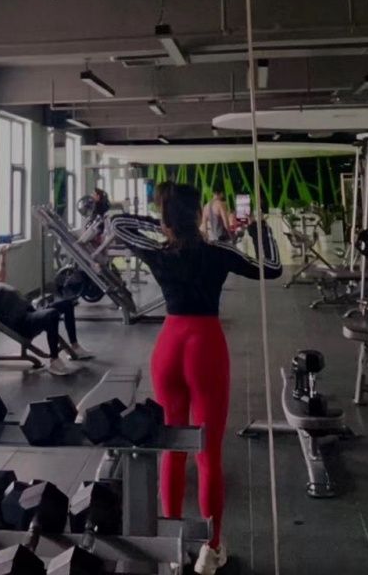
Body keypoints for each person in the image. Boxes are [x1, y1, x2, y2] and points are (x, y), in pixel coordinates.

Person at [111, 183, 282, 574]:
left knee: (172, 448)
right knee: (209, 455)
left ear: (167, 218)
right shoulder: (218, 252)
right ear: (199, 215)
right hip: (205, 349)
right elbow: (272, 268)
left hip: (169, 348)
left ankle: (172, 547)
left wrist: (163, 225)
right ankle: (211, 548)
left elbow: (118, 223)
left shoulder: (158, 251)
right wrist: (260, 230)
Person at [0, 247, 93, 376]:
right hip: (23, 323)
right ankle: (54, 360)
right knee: (51, 314)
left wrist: (3, 255)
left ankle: (75, 346)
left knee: (67, 304)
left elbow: (0, 277)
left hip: (31, 313)